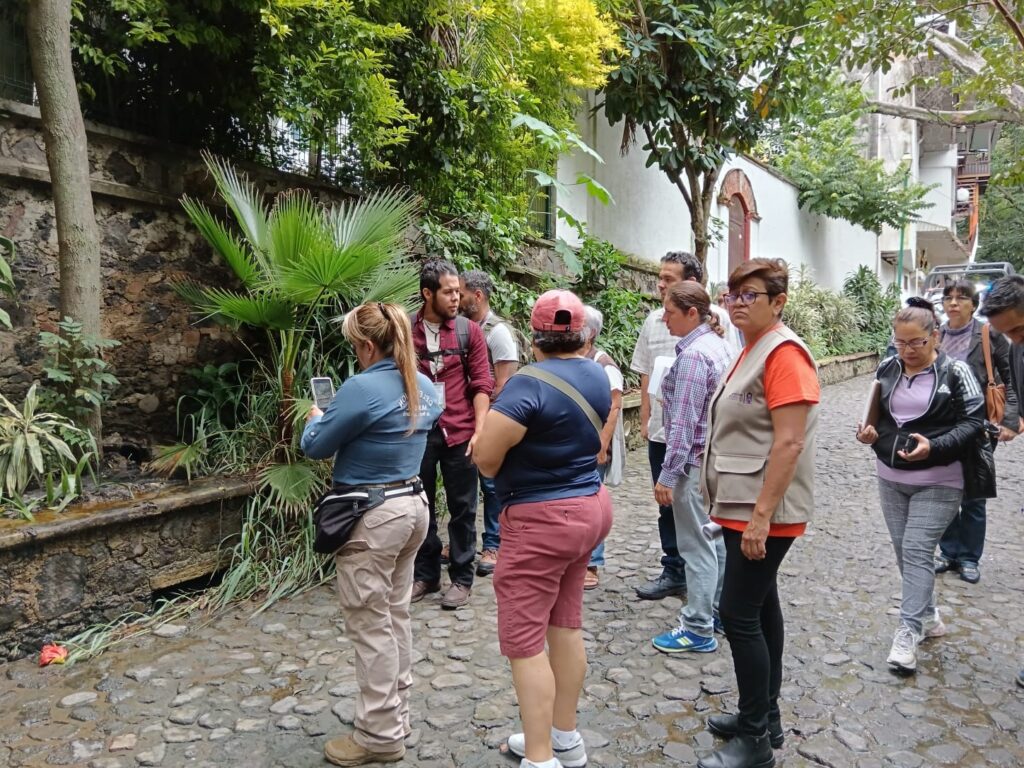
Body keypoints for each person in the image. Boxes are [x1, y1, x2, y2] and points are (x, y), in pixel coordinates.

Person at [473, 290, 613, 768]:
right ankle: (565, 738)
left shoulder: (526, 385)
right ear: (581, 333)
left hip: (542, 522)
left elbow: (487, 460)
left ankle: (540, 758)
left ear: (534, 339)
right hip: (589, 509)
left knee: (524, 641)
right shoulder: (596, 372)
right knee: (565, 625)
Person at [300, 302, 442, 767]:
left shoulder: (361, 388)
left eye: (353, 345)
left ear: (365, 345)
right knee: (394, 614)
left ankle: (379, 736)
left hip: (373, 517)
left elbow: (317, 446)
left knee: (370, 624)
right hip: (413, 507)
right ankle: (396, 716)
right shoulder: (423, 385)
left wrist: (314, 418)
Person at [699, 258, 820, 768]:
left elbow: (790, 443)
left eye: (751, 295)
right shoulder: (751, 349)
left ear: (778, 301)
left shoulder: (783, 354)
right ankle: (763, 715)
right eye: (733, 295)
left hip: (761, 510)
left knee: (738, 615)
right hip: (741, 504)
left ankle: (754, 742)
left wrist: (761, 517)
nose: (739, 303)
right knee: (760, 607)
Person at [856, 297, 985, 676]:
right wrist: (868, 432)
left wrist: (936, 446)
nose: (908, 351)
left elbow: (973, 424)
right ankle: (928, 616)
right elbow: (877, 416)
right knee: (903, 552)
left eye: (917, 343)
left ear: (936, 337)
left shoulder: (956, 372)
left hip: (940, 479)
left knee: (915, 549)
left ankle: (908, 632)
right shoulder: (888, 367)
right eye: (901, 342)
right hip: (891, 477)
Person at [632, 251, 737, 600]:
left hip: (691, 439)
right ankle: (675, 570)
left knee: (695, 518)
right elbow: (646, 370)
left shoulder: (714, 325)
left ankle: (703, 608)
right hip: (667, 429)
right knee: (669, 507)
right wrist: (647, 418)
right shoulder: (655, 320)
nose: (660, 284)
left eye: (669, 279)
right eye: (659, 277)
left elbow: (728, 378)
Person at [650, 282, 732, 654]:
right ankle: (715, 611)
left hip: (693, 465)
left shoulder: (695, 356)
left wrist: (668, 476)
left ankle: (698, 627)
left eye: (669, 311)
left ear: (692, 313)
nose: (663, 318)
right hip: (715, 462)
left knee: (696, 546)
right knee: (716, 542)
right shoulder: (718, 345)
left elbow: (682, 424)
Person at [409, 259, 494, 609]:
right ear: (427, 293)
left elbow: (482, 383)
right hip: (418, 433)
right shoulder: (405, 331)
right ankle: (425, 575)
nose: (457, 298)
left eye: (458, 291)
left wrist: (481, 429)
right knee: (421, 507)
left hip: (460, 431)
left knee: (463, 509)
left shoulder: (468, 331)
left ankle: (461, 578)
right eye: (448, 292)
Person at [933, 280, 1019, 584]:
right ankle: (948, 551)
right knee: (942, 491)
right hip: (940, 426)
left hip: (978, 427)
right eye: (948, 298)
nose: (953, 303)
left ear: (973, 303)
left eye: (961, 298)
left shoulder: (988, 333)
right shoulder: (935, 334)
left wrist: (1009, 419)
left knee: (973, 493)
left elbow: (1010, 378)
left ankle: (969, 557)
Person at [977, 275, 1024, 688]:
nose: (1013, 339)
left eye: (1018, 329)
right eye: (1006, 332)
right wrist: (1012, 421)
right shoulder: (1016, 345)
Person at [459, 269, 520, 577]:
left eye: (462, 293)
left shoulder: (498, 333)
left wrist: (487, 418)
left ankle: (494, 544)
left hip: (493, 418)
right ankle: (465, 543)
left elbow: (505, 386)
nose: (457, 298)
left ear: (478, 296)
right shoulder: (464, 329)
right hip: (466, 417)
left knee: (492, 485)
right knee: (466, 483)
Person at [581, 305, 625, 590]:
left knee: (593, 504)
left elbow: (615, 405)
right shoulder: (576, 359)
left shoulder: (604, 364)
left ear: (591, 332)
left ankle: (593, 562)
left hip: (595, 445)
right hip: (578, 443)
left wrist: (603, 444)